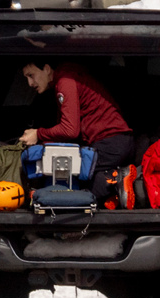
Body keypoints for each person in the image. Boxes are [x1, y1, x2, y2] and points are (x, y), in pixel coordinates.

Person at [18, 59, 136, 207]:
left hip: (110, 143)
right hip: (118, 143)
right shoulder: (68, 78)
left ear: (47, 69)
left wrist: (38, 134)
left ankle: (114, 178)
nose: (29, 83)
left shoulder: (65, 82)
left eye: (31, 75)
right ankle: (112, 192)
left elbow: (70, 130)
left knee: (71, 182)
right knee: (83, 180)